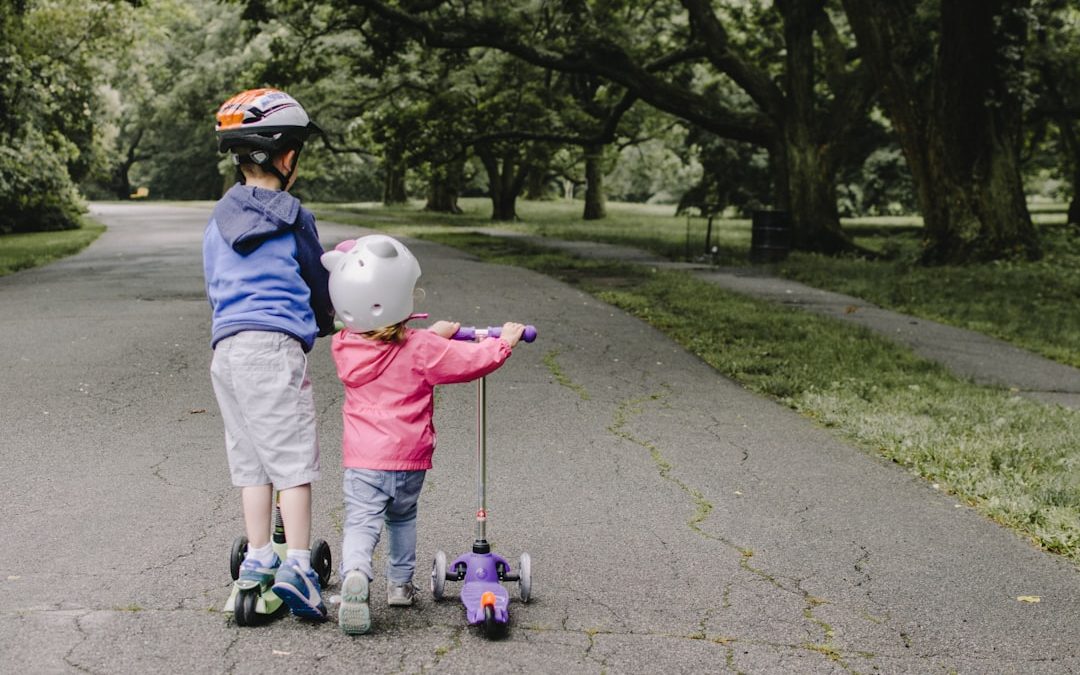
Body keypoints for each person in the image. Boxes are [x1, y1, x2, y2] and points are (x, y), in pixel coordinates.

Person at [319, 234, 526, 635]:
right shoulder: (421, 349)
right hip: (409, 458)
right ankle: (399, 586)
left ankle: (356, 575)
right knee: (402, 518)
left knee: (362, 523)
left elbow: (390, 342)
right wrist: (503, 343)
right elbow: (467, 361)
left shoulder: (345, 345)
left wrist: (433, 333)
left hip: (363, 459)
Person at [203, 88, 334, 621]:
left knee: (251, 462)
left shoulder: (217, 219)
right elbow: (318, 277)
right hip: (273, 349)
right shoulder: (293, 216)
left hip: (227, 351)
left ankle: (257, 558)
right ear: (286, 158)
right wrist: (327, 322)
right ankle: (299, 566)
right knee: (293, 461)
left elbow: (214, 283)